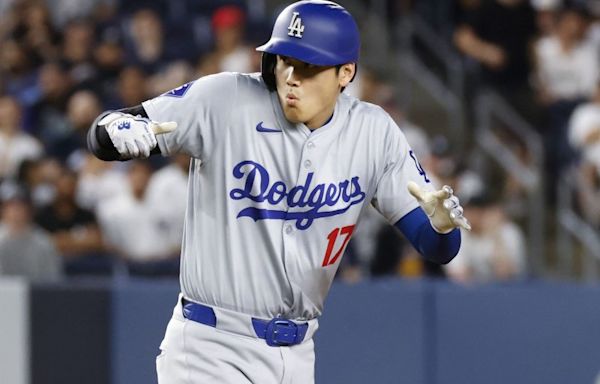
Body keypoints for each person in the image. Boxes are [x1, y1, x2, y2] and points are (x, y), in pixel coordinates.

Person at [87, 1, 470, 383]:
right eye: (284, 60)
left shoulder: (373, 133)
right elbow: (107, 130)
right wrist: (114, 131)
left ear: (346, 73)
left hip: (298, 355)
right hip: (210, 347)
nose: (291, 76)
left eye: (309, 66)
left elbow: (437, 248)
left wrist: (440, 229)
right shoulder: (226, 99)